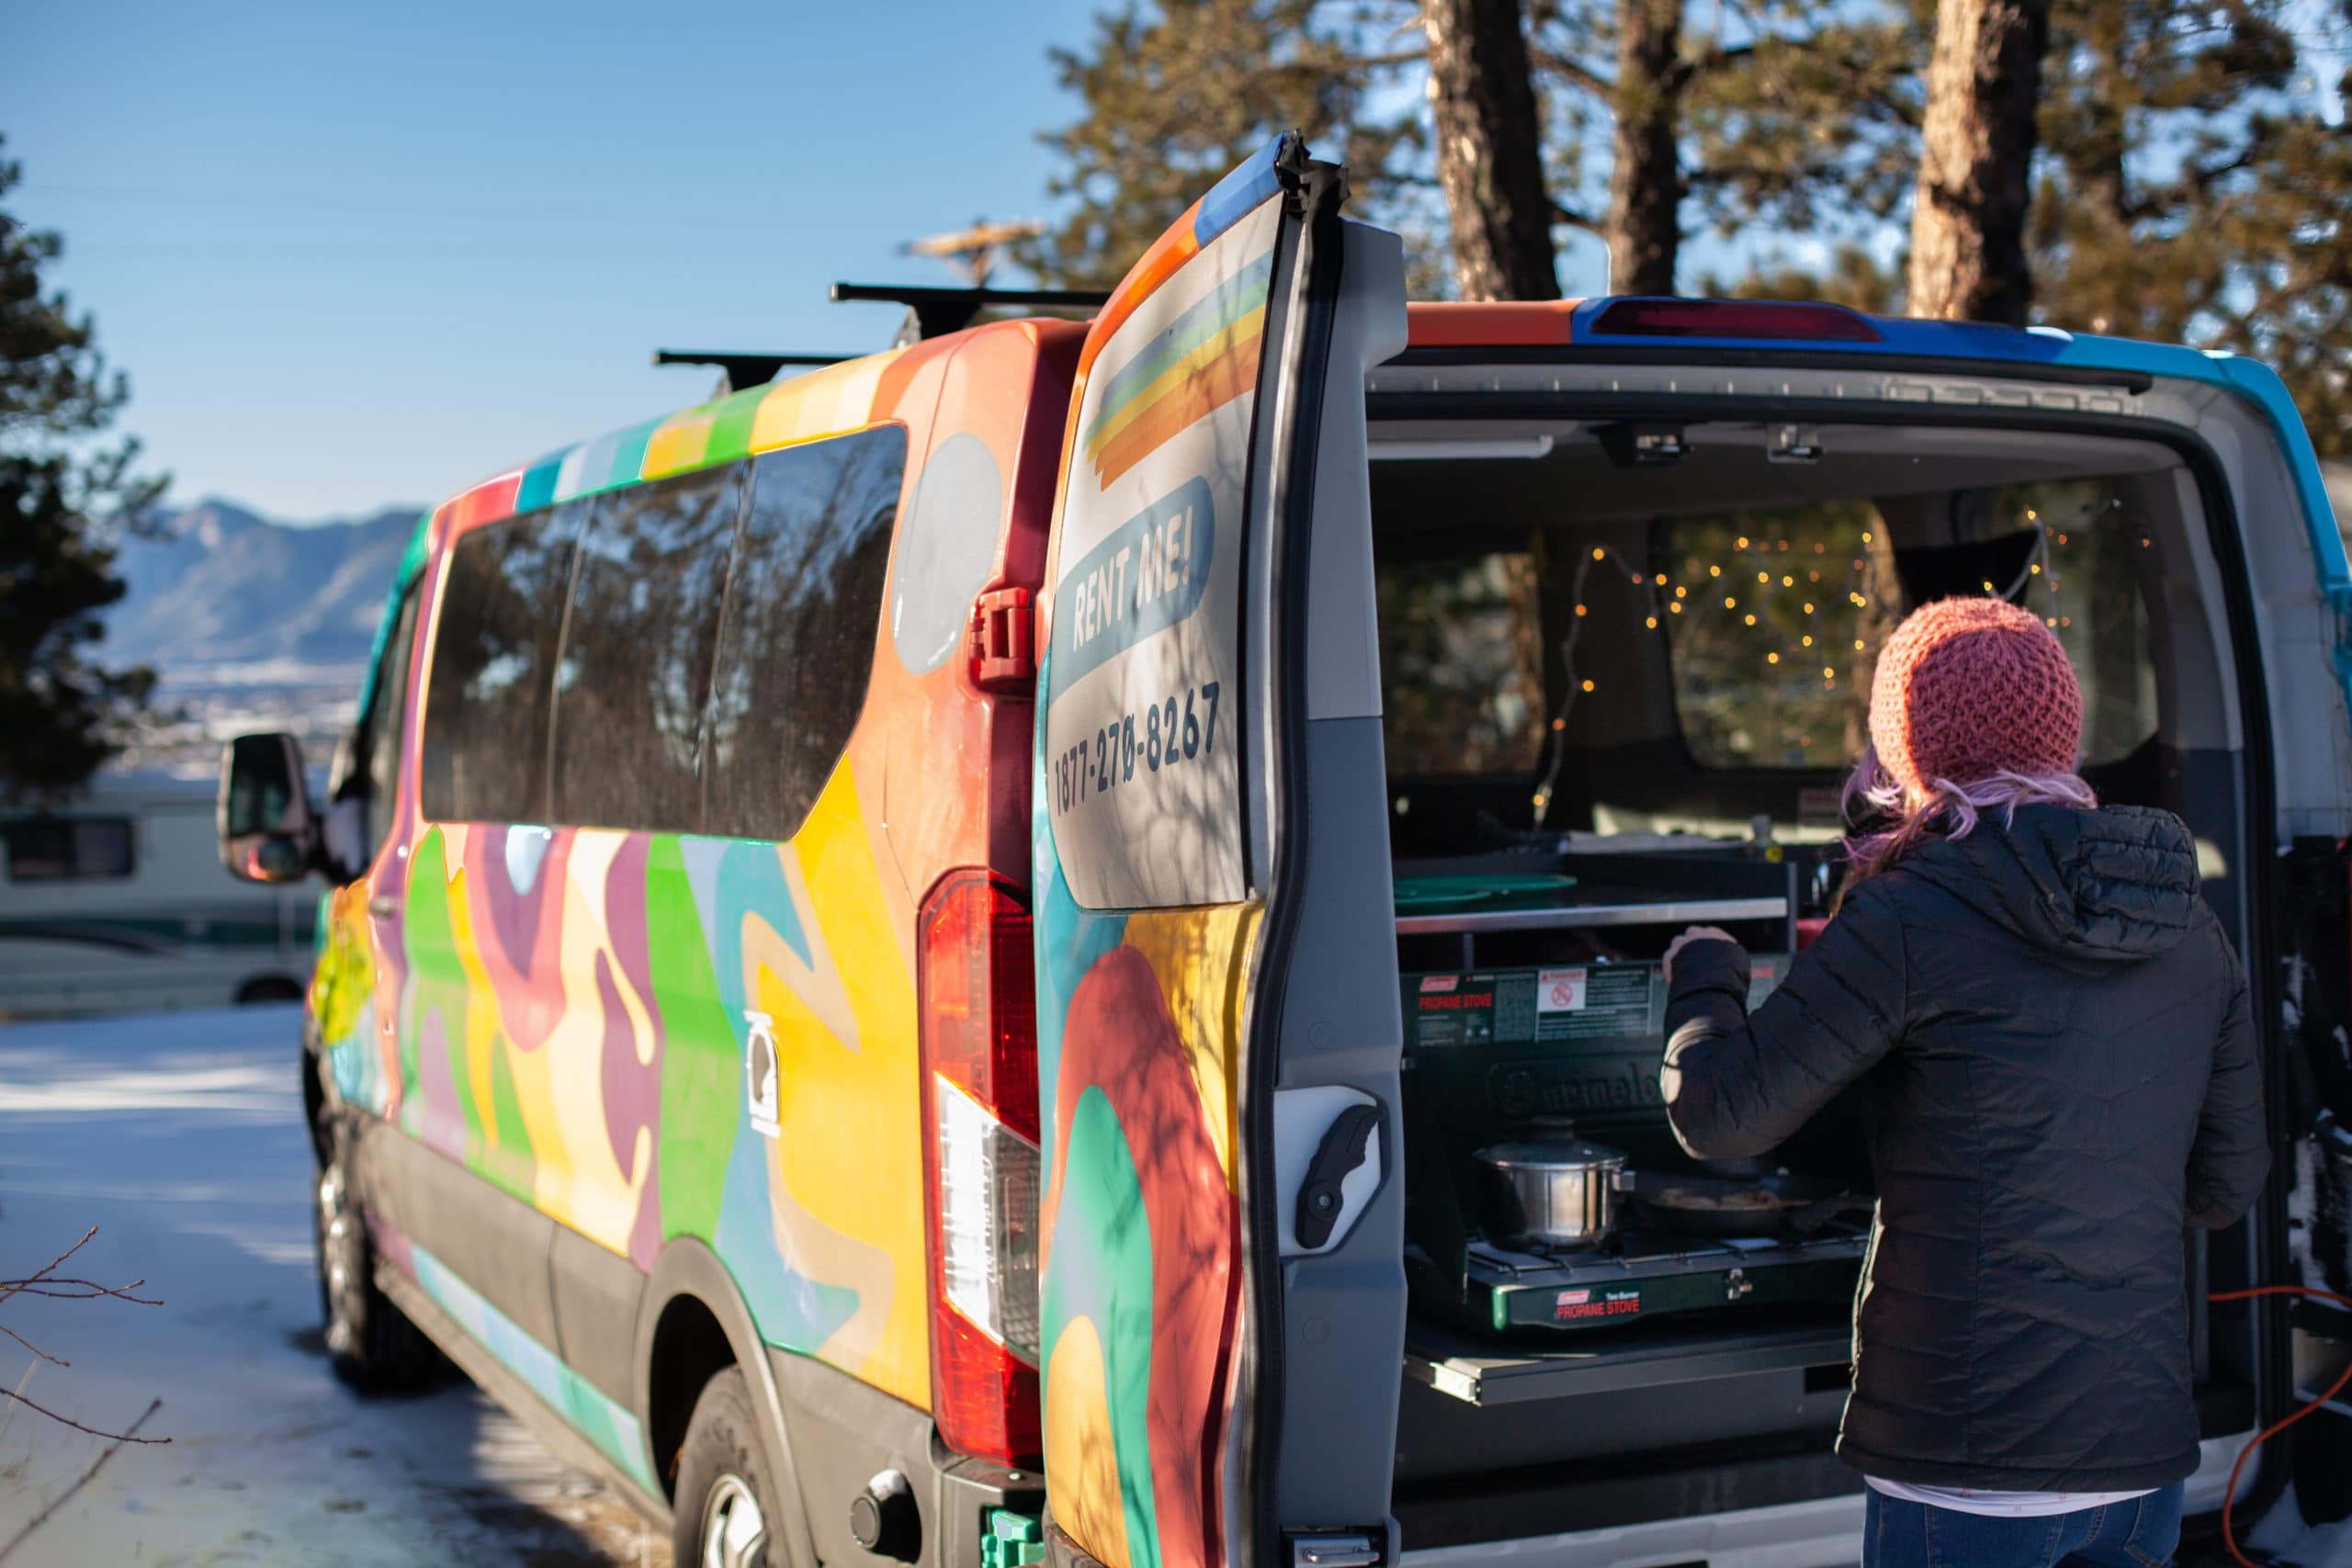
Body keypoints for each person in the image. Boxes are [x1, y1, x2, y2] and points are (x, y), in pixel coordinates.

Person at [1658, 596, 2268, 1568]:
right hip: (2140, 1463)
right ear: (2058, 733)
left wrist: (1704, 975)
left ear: (1906, 746)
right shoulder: (2187, 924)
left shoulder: (1912, 913)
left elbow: (1721, 1115)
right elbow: (2223, 1183)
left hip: (1965, 1467)